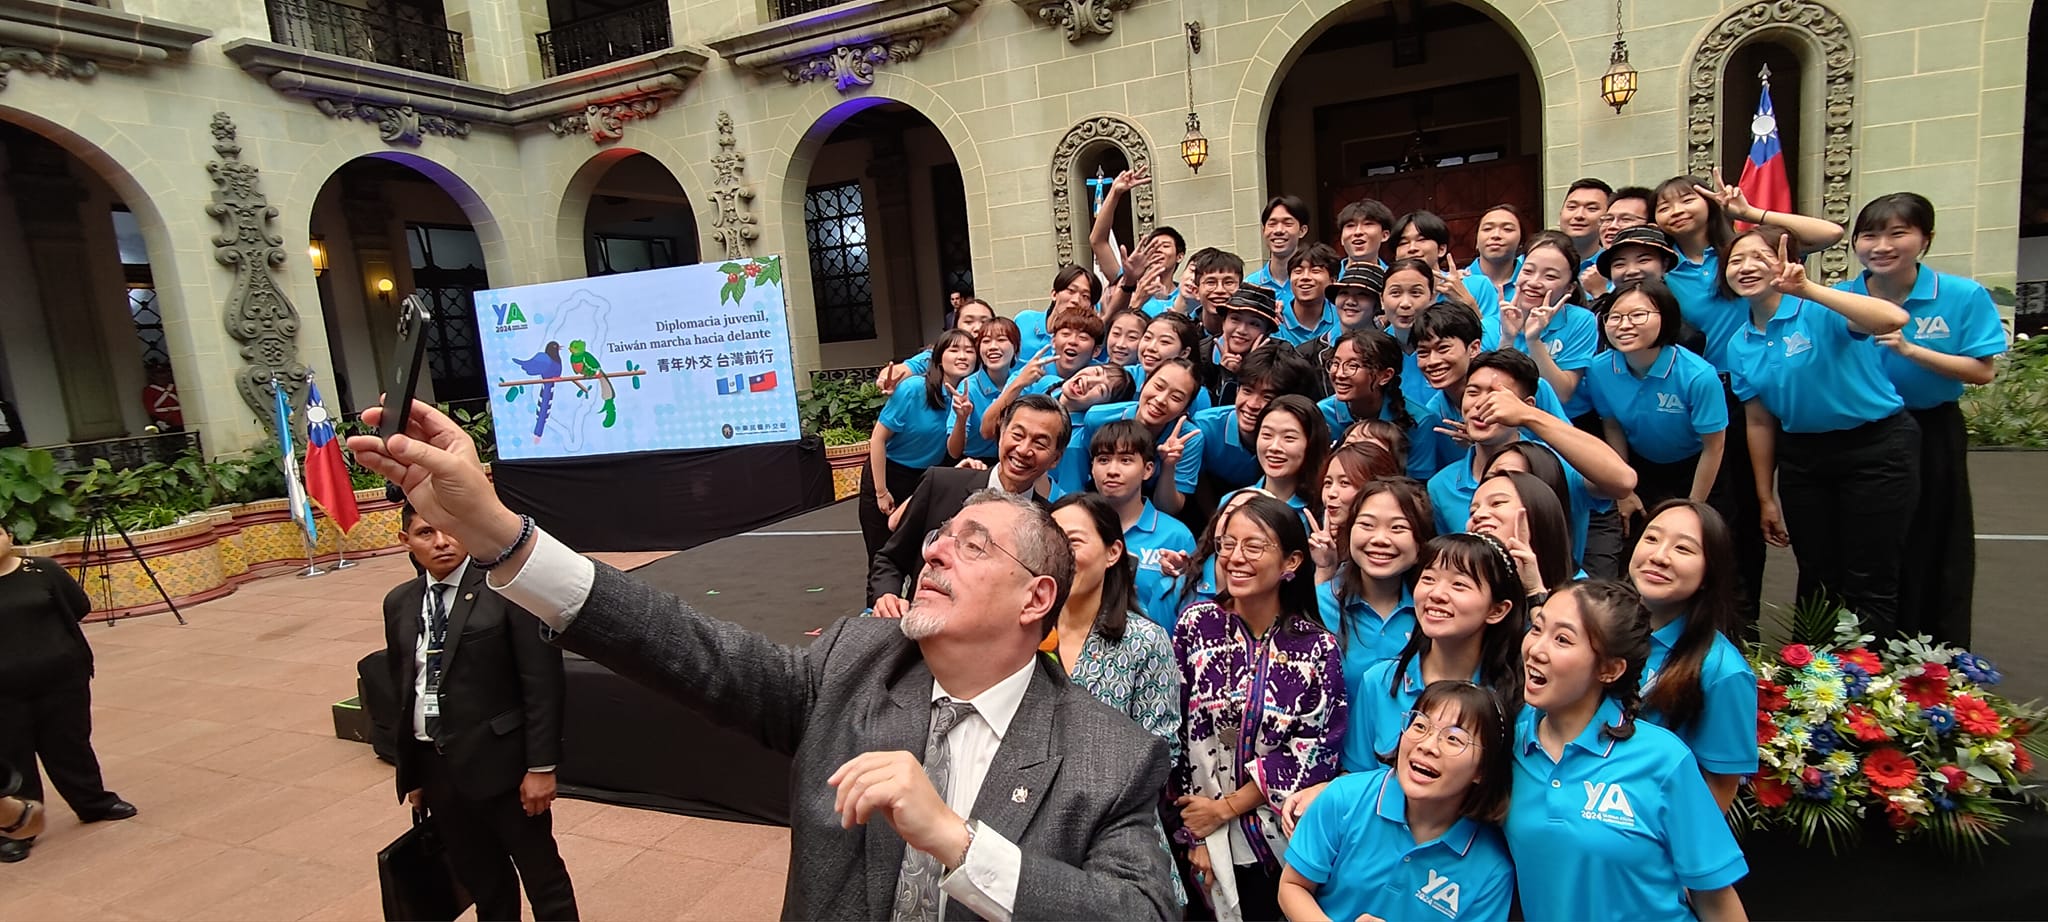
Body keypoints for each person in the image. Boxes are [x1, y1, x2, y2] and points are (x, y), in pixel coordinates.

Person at [349, 401, 1181, 919]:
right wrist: (498, 531)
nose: (934, 553)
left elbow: (1141, 911)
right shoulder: (858, 664)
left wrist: (961, 845)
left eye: (972, 544)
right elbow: (683, 644)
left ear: (1037, 599)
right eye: (936, 537)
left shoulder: (1109, 754)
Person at [1510, 580, 1748, 922]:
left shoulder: (1663, 760)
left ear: (1610, 669)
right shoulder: (1510, 749)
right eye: (1537, 628)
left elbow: (1715, 899)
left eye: (1562, 639)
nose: (1535, 649)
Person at [1721, 225, 1916, 635]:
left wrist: (1808, 289)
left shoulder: (1820, 310)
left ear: (1786, 262)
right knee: (1815, 570)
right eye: (1735, 261)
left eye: (1760, 256)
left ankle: (1869, 679)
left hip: (1875, 447)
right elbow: (1758, 421)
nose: (1746, 267)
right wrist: (1764, 497)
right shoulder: (1740, 343)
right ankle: (1813, 675)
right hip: (1804, 456)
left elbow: (1893, 318)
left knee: (1870, 573)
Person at [382, 505, 575, 920]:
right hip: (438, 770)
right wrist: (414, 773)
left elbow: (542, 683)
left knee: (543, 878)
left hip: (504, 767)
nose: (441, 542)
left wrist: (541, 766)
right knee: (484, 882)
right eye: (425, 533)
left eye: (450, 530)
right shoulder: (399, 602)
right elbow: (405, 689)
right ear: (406, 542)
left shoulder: (505, 589)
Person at [1839, 192, 2006, 645]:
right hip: (1859, 434)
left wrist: (1913, 351)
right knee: (1863, 548)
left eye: (1898, 234)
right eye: (1869, 235)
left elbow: (1983, 371)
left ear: (1925, 239)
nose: (1881, 246)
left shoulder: (1960, 295)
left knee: (1934, 541)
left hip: (1931, 429)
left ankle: (1937, 654)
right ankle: (1861, 653)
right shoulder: (1840, 298)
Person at [1174, 495, 1345, 921]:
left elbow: (1312, 753)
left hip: (1275, 844)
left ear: (1291, 563)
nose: (1235, 558)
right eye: (1228, 545)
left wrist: (1226, 810)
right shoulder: (1196, 625)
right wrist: (1198, 831)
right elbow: (1174, 730)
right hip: (1198, 836)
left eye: (1254, 547)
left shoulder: (1316, 648)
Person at [1276, 680, 1516, 922]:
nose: (1428, 745)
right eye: (1421, 726)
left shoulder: (1492, 871)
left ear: (1483, 769)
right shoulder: (1345, 797)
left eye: (1453, 739)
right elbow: (1292, 887)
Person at [0, 528, 136, 864]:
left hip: (61, 679)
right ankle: (20, 829)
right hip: (3, 692)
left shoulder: (43, 570)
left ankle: (93, 803)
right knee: (13, 754)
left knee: (70, 743)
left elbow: (78, 606)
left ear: (9, 535)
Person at [1338, 533, 1526, 775]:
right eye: (1428, 578)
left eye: (1459, 584)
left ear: (1497, 610)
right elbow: (1354, 777)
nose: (1436, 594)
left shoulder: (1515, 696)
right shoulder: (1380, 681)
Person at [870, 394, 1070, 613]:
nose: (1023, 449)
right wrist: (887, 596)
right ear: (1001, 434)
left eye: (1040, 443)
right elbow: (890, 559)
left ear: (1056, 458)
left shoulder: (1048, 522)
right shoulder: (941, 484)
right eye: (1017, 435)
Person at [1425, 349, 1636, 544]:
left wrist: (1529, 417)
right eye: (1473, 392)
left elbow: (1623, 481)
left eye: (1497, 394)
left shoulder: (1556, 465)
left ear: (1527, 404)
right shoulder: (1440, 485)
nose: (1481, 404)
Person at [1629, 501, 1756, 810]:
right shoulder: (1600, 631)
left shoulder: (1723, 671)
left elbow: (1719, 790)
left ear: (1710, 572)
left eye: (1683, 549)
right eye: (1651, 538)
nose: (1659, 557)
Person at [1045, 493, 1182, 756]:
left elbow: (1160, 751)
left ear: (1113, 552)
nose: (1060, 556)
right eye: (1051, 543)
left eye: (1073, 542)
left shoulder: (1145, 641)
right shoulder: (1025, 631)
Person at [1586, 279, 1730, 524]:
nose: (1624, 325)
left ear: (1666, 317)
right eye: (1615, 317)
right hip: (1640, 466)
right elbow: (1612, 425)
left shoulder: (1698, 376)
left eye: (1638, 315)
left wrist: (1693, 507)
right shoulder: (1599, 369)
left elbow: (1713, 446)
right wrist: (1624, 489)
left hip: (1697, 466)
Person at [1314, 479, 1437, 708]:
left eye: (1398, 527)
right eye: (1367, 525)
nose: (1379, 539)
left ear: (1422, 543)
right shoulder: (1316, 606)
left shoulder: (1435, 611)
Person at [863, 330, 979, 558]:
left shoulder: (968, 395)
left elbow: (953, 451)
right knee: (881, 556)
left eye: (969, 351)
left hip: (925, 478)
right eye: (954, 350)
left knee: (920, 556)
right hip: (888, 473)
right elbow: (878, 439)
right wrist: (881, 491)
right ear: (938, 357)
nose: (962, 356)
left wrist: (962, 416)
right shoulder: (914, 388)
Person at [1082, 420, 1199, 629]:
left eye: (1126, 460)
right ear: (1091, 468)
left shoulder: (1176, 536)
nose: (1112, 470)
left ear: (1148, 470)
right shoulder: (1076, 526)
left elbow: (1191, 616)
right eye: (1103, 460)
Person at [1070, 358, 1205, 515]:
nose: (1161, 400)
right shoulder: (1098, 417)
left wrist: (1169, 465)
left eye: (1176, 398)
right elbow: (1083, 475)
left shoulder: (1189, 439)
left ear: (1185, 409)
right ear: (1143, 384)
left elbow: (1168, 508)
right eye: (1158, 386)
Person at [1193, 340, 1321, 498]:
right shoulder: (1205, 427)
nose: (1252, 404)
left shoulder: (1306, 433)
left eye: (1267, 397)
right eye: (1247, 391)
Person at [1316, 327, 1423, 448]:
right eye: (1335, 363)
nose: (1339, 374)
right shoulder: (1322, 414)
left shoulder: (1418, 421)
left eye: (1352, 366)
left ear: (1385, 376)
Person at [947, 316, 1024, 465]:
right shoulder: (968, 387)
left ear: (1016, 348)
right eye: (986, 341)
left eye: (1001, 340)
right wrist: (961, 419)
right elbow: (954, 452)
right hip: (974, 463)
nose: (993, 346)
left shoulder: (1023, 381)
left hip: (1016, 460)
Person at [1250, 394, 1330, 527]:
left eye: (1289, 438)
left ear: (1311, 443)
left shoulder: (1325, 512)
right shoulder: (1235, 501)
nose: (1274, 447)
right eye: (1267, 435)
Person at [1198, 284, 1283, 405]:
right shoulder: (1200, 354)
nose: (1242, 330)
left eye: (1254, 324)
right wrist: (1226, 376)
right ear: (1223, 321)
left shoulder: (1281, 356)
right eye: (1235, 319)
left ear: (1267, 331)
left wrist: (1253, 369)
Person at [1580, 186, 1655, 298]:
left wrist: (1600, 293)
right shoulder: (1590, 274)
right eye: (1608, 219)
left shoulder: (1652, 272)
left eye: (1626, 219)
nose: (1612, 226)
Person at [1245, 195, 1312, 318]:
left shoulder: (1313, 283)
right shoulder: (1251, 285)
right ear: (1263, 230)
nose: (1278, 230)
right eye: (1272, 224)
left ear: (1302, 230)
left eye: (1288, 223)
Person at [1277, 243, 1343, 347]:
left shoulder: (1342, 319)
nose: (1305, 277)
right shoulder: (1276, 320)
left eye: (1315, 271)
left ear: (1333, 280)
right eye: (1298, 271)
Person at [1469, 203, 1527, 303]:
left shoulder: (1531, 284)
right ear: (1476, 241)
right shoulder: (1459, 283)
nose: (1496, 235)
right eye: (1487, 229)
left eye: (1507, 229)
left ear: (1521, 242)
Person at [1558, 178, 1612, 269]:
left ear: (1608, 218)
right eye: (1572, 207)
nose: (1579, 215)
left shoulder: (1612, 266)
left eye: (1591, 208)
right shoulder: (1530, 261)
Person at [1335, 198, 1394, 271]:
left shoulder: (1394, 278)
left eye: (1368, 224)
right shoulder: (1328, 276)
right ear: (1341, 239)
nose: (1358, 232)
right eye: (1350, 225)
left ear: (1385, 235)